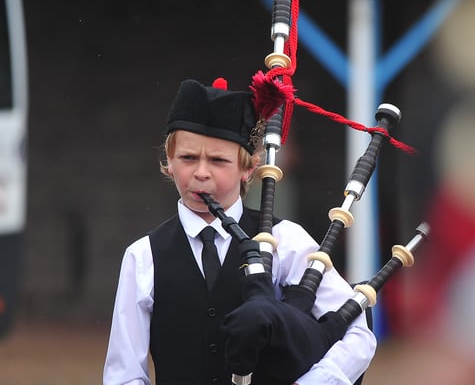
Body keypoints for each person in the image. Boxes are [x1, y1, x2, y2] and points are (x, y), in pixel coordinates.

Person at [103, 78, 377, 385]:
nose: (201, 172)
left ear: (248, 167)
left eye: (218, 160)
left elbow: (356, 333)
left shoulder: (286, 241)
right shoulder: (143, 256)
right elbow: (124, 375)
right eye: (188, 158)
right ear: (169, 161)